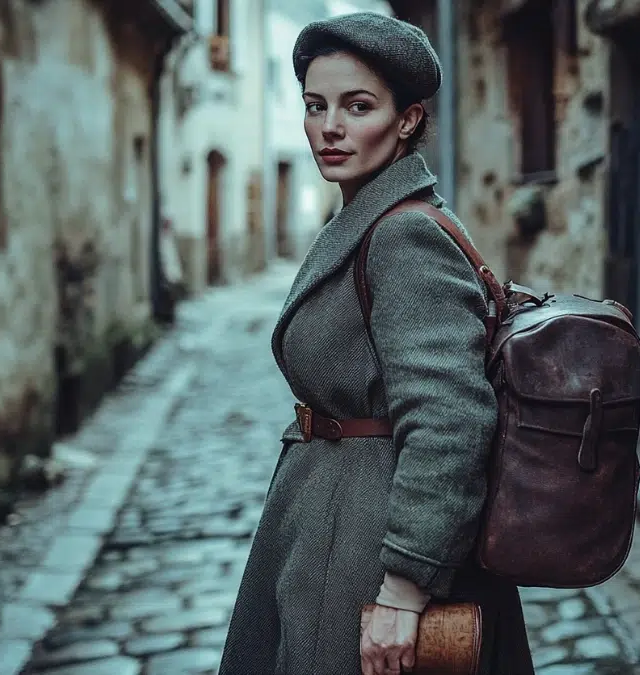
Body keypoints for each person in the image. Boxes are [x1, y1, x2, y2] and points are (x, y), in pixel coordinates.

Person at [219, 12, 534, 675]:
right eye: (315, 106)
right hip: (330, 528)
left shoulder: (403, 236)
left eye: (357, 106)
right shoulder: (366, 219)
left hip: (367, 546)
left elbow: (451, 419)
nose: (329, 127)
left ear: (408, 119)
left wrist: (402, 589)